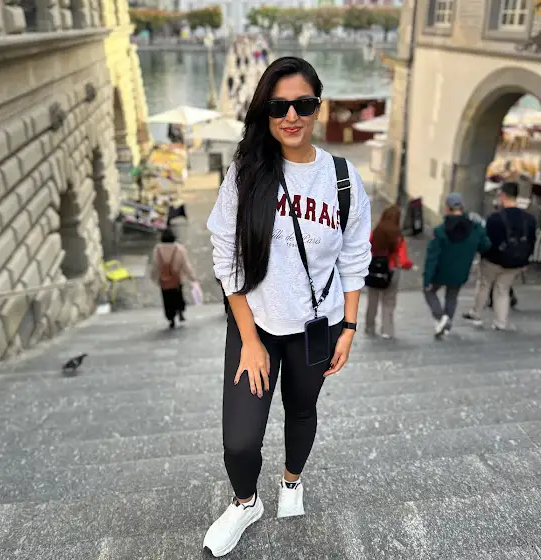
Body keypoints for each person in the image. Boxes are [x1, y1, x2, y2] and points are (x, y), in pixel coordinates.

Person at [204, 56, 372, 558]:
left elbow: (354, 258)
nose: (291, 116)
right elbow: (226, 259)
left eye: (303, 104)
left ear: (318, 107)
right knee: (239, 440)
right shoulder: (246, 174)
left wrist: (349, 327)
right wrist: (249, 341)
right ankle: (246, 502)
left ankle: (292, 480)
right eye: (279, 106)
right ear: (266, 112)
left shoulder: (341, 179)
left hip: (315, 327)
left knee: (302, 410)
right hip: (254, 326)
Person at [463, 182, 537, 330]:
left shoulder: (494, 218)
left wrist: (481, 255)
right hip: (516, 262)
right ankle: (500, 322)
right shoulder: (530, 219)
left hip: (493, 261)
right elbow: (531, 241)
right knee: (502, 290)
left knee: (484, 284)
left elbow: (487, 241)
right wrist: (525, 260)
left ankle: (476, 313)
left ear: (503, 195)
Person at [423, 193, 491, 337]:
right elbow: (485, 245)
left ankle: (441, 317)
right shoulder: (474, 228)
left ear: (447, 208)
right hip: (461, 270)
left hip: (441, 271)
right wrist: (481, 228)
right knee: (452, 296)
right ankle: (446, 326)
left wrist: (427, 277)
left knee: (429, 291)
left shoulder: (440, 230)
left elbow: (432, 256)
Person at [365, 205, 414, 339]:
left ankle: (369, 327)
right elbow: (403, 260)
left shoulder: (375, 232)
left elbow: (366, 249)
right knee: (389, 302)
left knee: (372, 301)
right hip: (391, 271)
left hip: (374, 270)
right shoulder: (398, 237)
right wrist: (408, 265)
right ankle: (387, 330)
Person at [149, 228, 197, 329]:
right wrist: (192, 277)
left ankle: (171, 318)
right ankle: (180, 311)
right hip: (177, 279)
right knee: (178, 296)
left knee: (167, 299)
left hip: (164, 280)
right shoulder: (179, 249)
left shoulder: (157, 249)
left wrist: (153, 277)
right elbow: (185, 265)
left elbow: (155, 265)